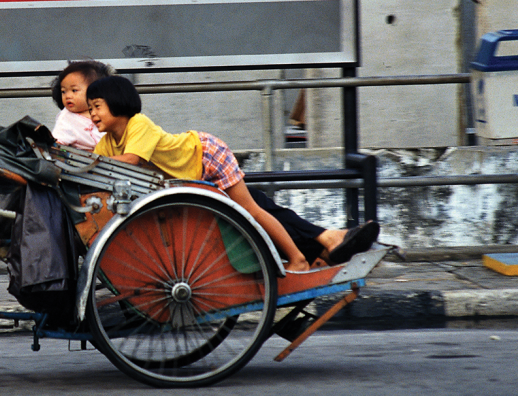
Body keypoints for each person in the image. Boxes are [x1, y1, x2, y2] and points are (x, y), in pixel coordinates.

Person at [86, 75, 379, 273]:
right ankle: (325, 243)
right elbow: (96, 163)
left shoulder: (138, 124)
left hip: (207, 156)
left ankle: (298, 259)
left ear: (118, 103)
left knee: (249, 209)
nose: (93, 115)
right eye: (90, 110)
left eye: (97, 107)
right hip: (192, 176)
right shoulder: (108, 140)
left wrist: (90, 163)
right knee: (259, 203)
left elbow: (129, 161)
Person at [49, 60, 115, 150]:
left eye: (74, 90)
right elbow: (57, 146)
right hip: (84, 160)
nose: (67, 96)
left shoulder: (109, 111)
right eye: (63, 91)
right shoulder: (66, 118)